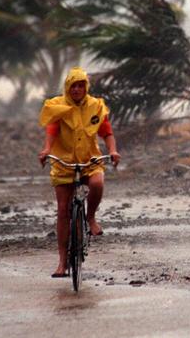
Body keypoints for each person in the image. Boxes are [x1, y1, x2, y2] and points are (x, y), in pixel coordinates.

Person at [38, 67, 120, 278]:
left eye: (80, 85)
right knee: (63, 209)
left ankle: (90, 218)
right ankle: (62, 263)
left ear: (86, 87)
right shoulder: (58, 106)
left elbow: (107, 132)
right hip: (64, 163)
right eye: (73, 86)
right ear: (67, 87)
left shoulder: (95, 106)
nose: (76, 89)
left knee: (97, 184)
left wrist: (112, 150)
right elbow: (52, 132)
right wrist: (47, 150)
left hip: (89, 161)